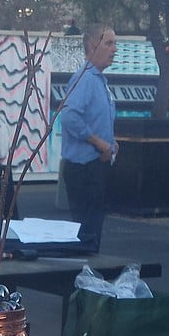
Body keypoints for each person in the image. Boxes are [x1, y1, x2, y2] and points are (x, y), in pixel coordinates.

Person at [60, 24, 118, 255]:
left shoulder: (99, 81)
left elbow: (93, 119)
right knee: (86, 235)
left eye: (115, 43)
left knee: (92, 234)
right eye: (109, 43)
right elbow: (69, 117)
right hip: (83, 170)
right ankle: (80, 283)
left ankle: (87, 282)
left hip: (95, 166)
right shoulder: (84, 79)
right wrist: (99, 143)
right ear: (93, 46)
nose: (115, 49)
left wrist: (110, 142)